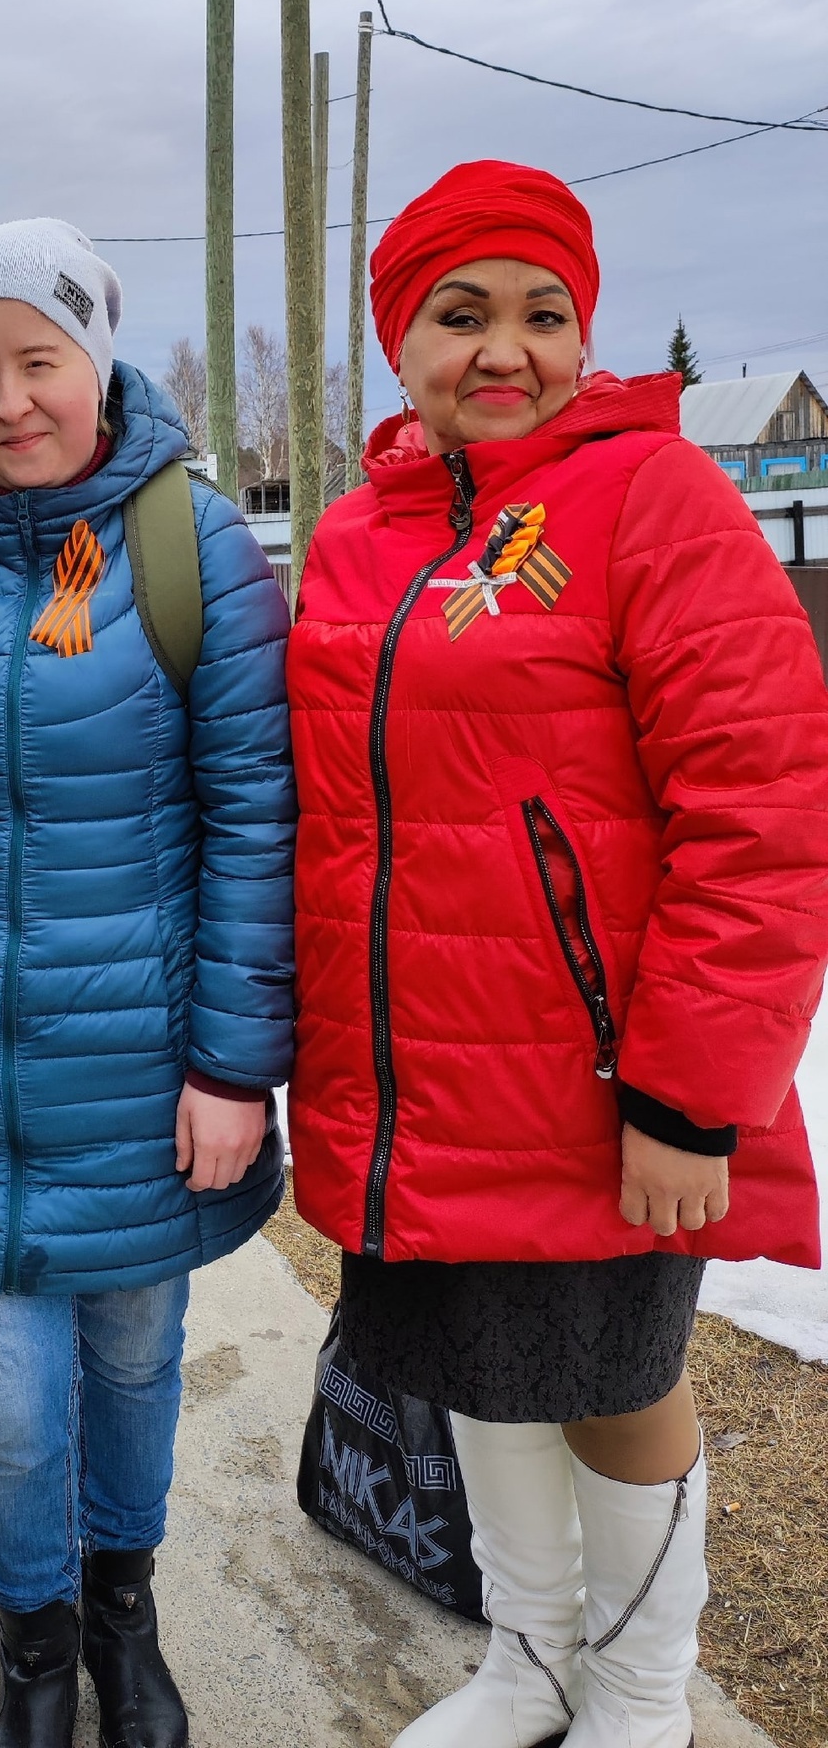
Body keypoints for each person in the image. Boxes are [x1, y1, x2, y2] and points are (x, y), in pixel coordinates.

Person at [288, 160, 828, 1748]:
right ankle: (530, 1660)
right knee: (479, 1370)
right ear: (404, 343)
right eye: (462, 316)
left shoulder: (656, 499)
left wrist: (690, 1090)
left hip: (599, 1074)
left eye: (544, 314)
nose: (502, 349)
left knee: (614, 1380)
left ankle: (643, 1696)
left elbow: (762, 805)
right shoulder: (352, 540)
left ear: (587, 339)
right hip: (416, 1077)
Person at [0, 218, 296, 1748]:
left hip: (145, 1076)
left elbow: (251, 812)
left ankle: (121, 1614)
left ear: (96, 359)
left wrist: (231, 1065)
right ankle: (34, 1648)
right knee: (11, 1412)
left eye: (39, 360)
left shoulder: (194, 547)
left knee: (138, 1365)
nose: (11, 400)